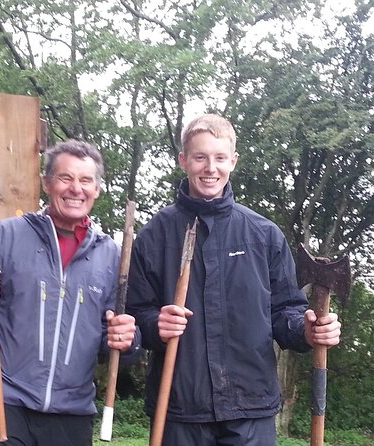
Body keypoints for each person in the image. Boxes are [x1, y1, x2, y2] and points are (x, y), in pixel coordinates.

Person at [126, 114, 342, 445]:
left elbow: (285, 311)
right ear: (183, 160)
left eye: (219, 158)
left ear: (233, 161)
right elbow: (134, 316)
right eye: (200, 157)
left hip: (250, 410)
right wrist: (156, 324)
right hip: (181, 408)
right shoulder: (155, 236)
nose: (210, 168)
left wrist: (307, 329)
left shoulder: (263, 235)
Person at [0, 139, 141, 446]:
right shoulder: (4, 237)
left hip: (73, 412)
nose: (75, 188)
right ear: (46, 183)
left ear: (97, 189)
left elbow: (114, 344)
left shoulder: (111, 256)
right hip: (4, 398)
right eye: (65, 178)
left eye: (85, 180)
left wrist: (128, 341)